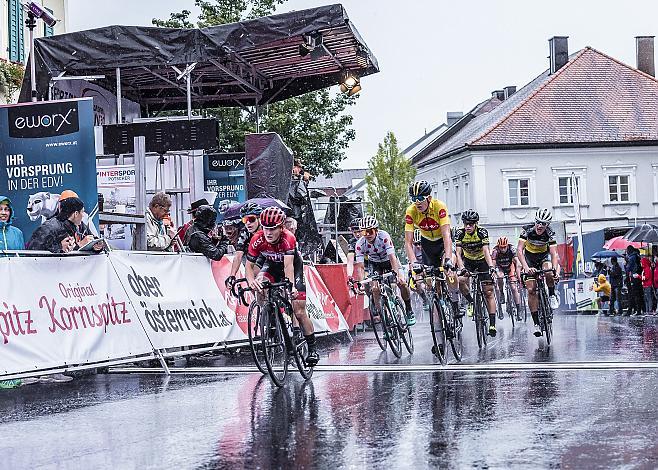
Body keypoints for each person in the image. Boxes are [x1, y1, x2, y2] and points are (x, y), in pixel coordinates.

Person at [244, 206, 319, 366]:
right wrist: (252, 282)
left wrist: (290, 287)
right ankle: (269, 316)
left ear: (281, 227)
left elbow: (288, 267)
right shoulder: (257, 239)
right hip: (271, 265)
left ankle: (312, 348)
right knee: (260, 284)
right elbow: (249, 267)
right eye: (265, 228)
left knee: (299, 310)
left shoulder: (288, 238)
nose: (268, 233)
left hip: (292, 267)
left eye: (272, 229)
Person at [403, 180, 459, 317]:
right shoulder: (411, 211)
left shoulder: (439, 207)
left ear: (429, 198)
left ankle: (456, 303)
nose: (417, 202)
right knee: (431, 281)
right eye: (414, 199)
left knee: (449, 273)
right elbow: (408, 242)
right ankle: (440, 308)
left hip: (442, 242)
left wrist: (448, 259)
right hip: (427, 244)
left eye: (420, 198)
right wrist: (413, 262)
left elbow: (446, 235)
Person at [351, 215, 416, 326]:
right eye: (363, 232)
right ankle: (384, 319)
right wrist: (361, 282)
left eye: (369, 231)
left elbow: (392, 257)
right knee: (375, 288)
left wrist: (396, 273)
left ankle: (409, 309)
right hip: (375, 264)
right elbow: (361, 267)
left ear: (376, 230)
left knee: (402, 283)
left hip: (389, 261)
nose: (366, 235)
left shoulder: (384, 236)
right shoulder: (360, 244)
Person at [517, 208, 560, 337]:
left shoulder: (550, 233)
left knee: (548, 271)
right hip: (529, 259)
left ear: (547, 225)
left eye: (543, 223)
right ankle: (536, 323)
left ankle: (552, 295)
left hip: (543, 257)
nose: (540, 226)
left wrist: (554, 269)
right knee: (531, 290)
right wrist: (525, 267)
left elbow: (554, 254)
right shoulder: (527, 230)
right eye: (538, 222)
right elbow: (519, 250)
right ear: (535, 221)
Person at [454, 210, 498, 337]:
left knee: (488, 292)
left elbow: (485, 251)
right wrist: (462, 268)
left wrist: (491, 267)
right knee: (460, 280)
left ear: (476, 224)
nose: (468, 226)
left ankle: (492, 324)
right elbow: (458, 253)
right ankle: (471, 301)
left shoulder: (482, 232)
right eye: (466, 224)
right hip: (468, 261)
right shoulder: (460, 233)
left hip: (482, 261)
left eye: (471, 224)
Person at [0, 196, 25, 389]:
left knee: (11, 329)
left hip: (14, 287)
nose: (3, 212)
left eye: (6, 209)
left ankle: (14, 370)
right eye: (0, 209)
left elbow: (23, 258)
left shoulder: (17, 233)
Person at [28, 197, 103, 253]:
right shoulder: (49, 227)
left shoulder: (81, 226)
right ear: (76, 214)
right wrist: (59, 247)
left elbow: (92, 240)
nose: (83, 215)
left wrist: (96, 246)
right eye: (82, 212)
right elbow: (33, 251)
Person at [225, 202, 263, 290]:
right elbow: (238, 256)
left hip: (270, 256)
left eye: (252, 219)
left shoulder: (268, 230)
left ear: (260, 219)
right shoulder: (245, 232)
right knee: (252, 276)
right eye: (245, 220)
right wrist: (232, 276)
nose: (248, 223)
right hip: (254, 258)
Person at [492, 236, 522, 321]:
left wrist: (518, 271)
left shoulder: (512, 248)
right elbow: (493, 264)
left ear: (507, 245)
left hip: (510, 267)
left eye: (504, 247)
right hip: (500, 267)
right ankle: (501, 292)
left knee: (513, 288)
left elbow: (517, 261)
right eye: (501, 247)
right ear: (498, 246)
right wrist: (493, 271)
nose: (503, 249)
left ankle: (519, 310)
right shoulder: (495, 251)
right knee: (500, 276)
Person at [624, 246, 643, 316]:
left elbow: (628, 269)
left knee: (635, 294)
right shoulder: (637, 256)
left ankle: (638, 311)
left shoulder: (632, 258)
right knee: (637, 294)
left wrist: (626, 264)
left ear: (629, 250)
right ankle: (638, 310)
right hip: (637, 276)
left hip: (634, 277)